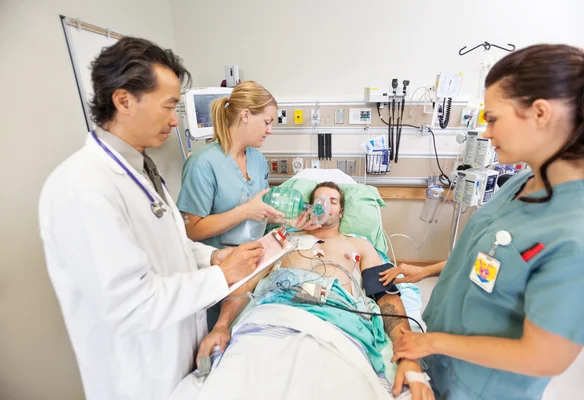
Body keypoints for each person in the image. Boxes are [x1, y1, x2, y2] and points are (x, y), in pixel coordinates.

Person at [38, 37, 264, 400]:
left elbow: (170, 248)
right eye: (169, 106)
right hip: (138, 377)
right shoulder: (81, 187)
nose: (175, 120)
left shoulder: (140, 170)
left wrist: (211, 257)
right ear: (124, 100)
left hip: (177, 362)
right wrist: (221, 276)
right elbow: (130, 304)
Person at [385, 44, 584, 400]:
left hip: (482, 388)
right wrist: (432, 270)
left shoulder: (583, 234)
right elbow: (498, 255)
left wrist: (432, 341)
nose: (486, 132)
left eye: (493, 118)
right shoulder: (524, 181)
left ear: (540, 113)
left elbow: (545, 357)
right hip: (438, 364)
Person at [194, 182, 434, 400]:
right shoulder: (282, 239)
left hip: (336, 324)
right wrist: (221, 326)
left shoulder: (359, 245)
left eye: (333, 201)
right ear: (308, 206)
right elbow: (244, 284)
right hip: (273, 316)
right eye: (319, 199)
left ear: (341, 212)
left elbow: (385, 296)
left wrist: (407, 355)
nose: (325, 205)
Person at [177, 80, 284, 249]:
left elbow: (260, 212)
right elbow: (191, 230)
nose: (270, 130)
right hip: (220, 265)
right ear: (246, 115)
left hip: (255, 257)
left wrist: (292, 220)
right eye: (267, 122)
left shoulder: (258, 161)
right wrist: (244, 211)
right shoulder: (202, 164)